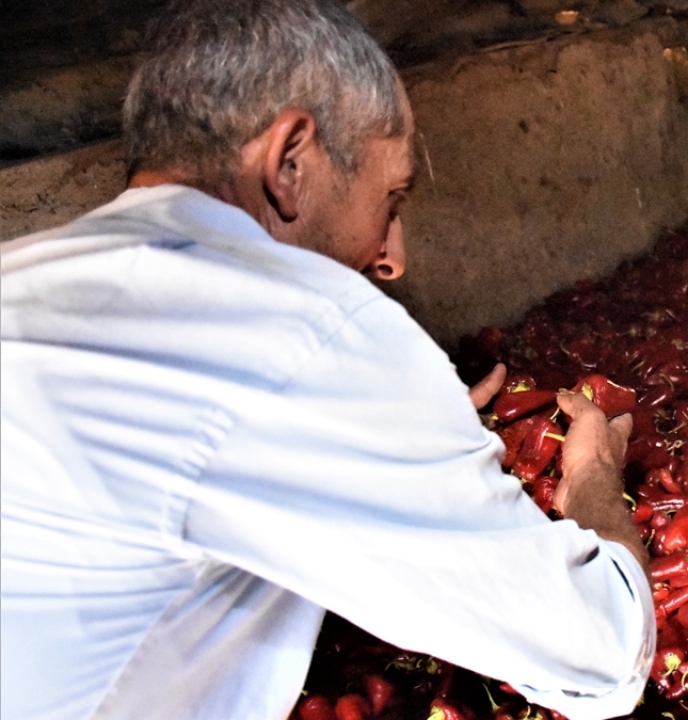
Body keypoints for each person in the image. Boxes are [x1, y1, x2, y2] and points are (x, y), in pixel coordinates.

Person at [0, 1, 654, 719]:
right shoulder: (296, 325)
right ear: (290, 164)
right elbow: (603, 652)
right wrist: (590, 484)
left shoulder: (22, 275)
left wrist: (391, 431)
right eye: (391, 198)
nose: (392, 257)